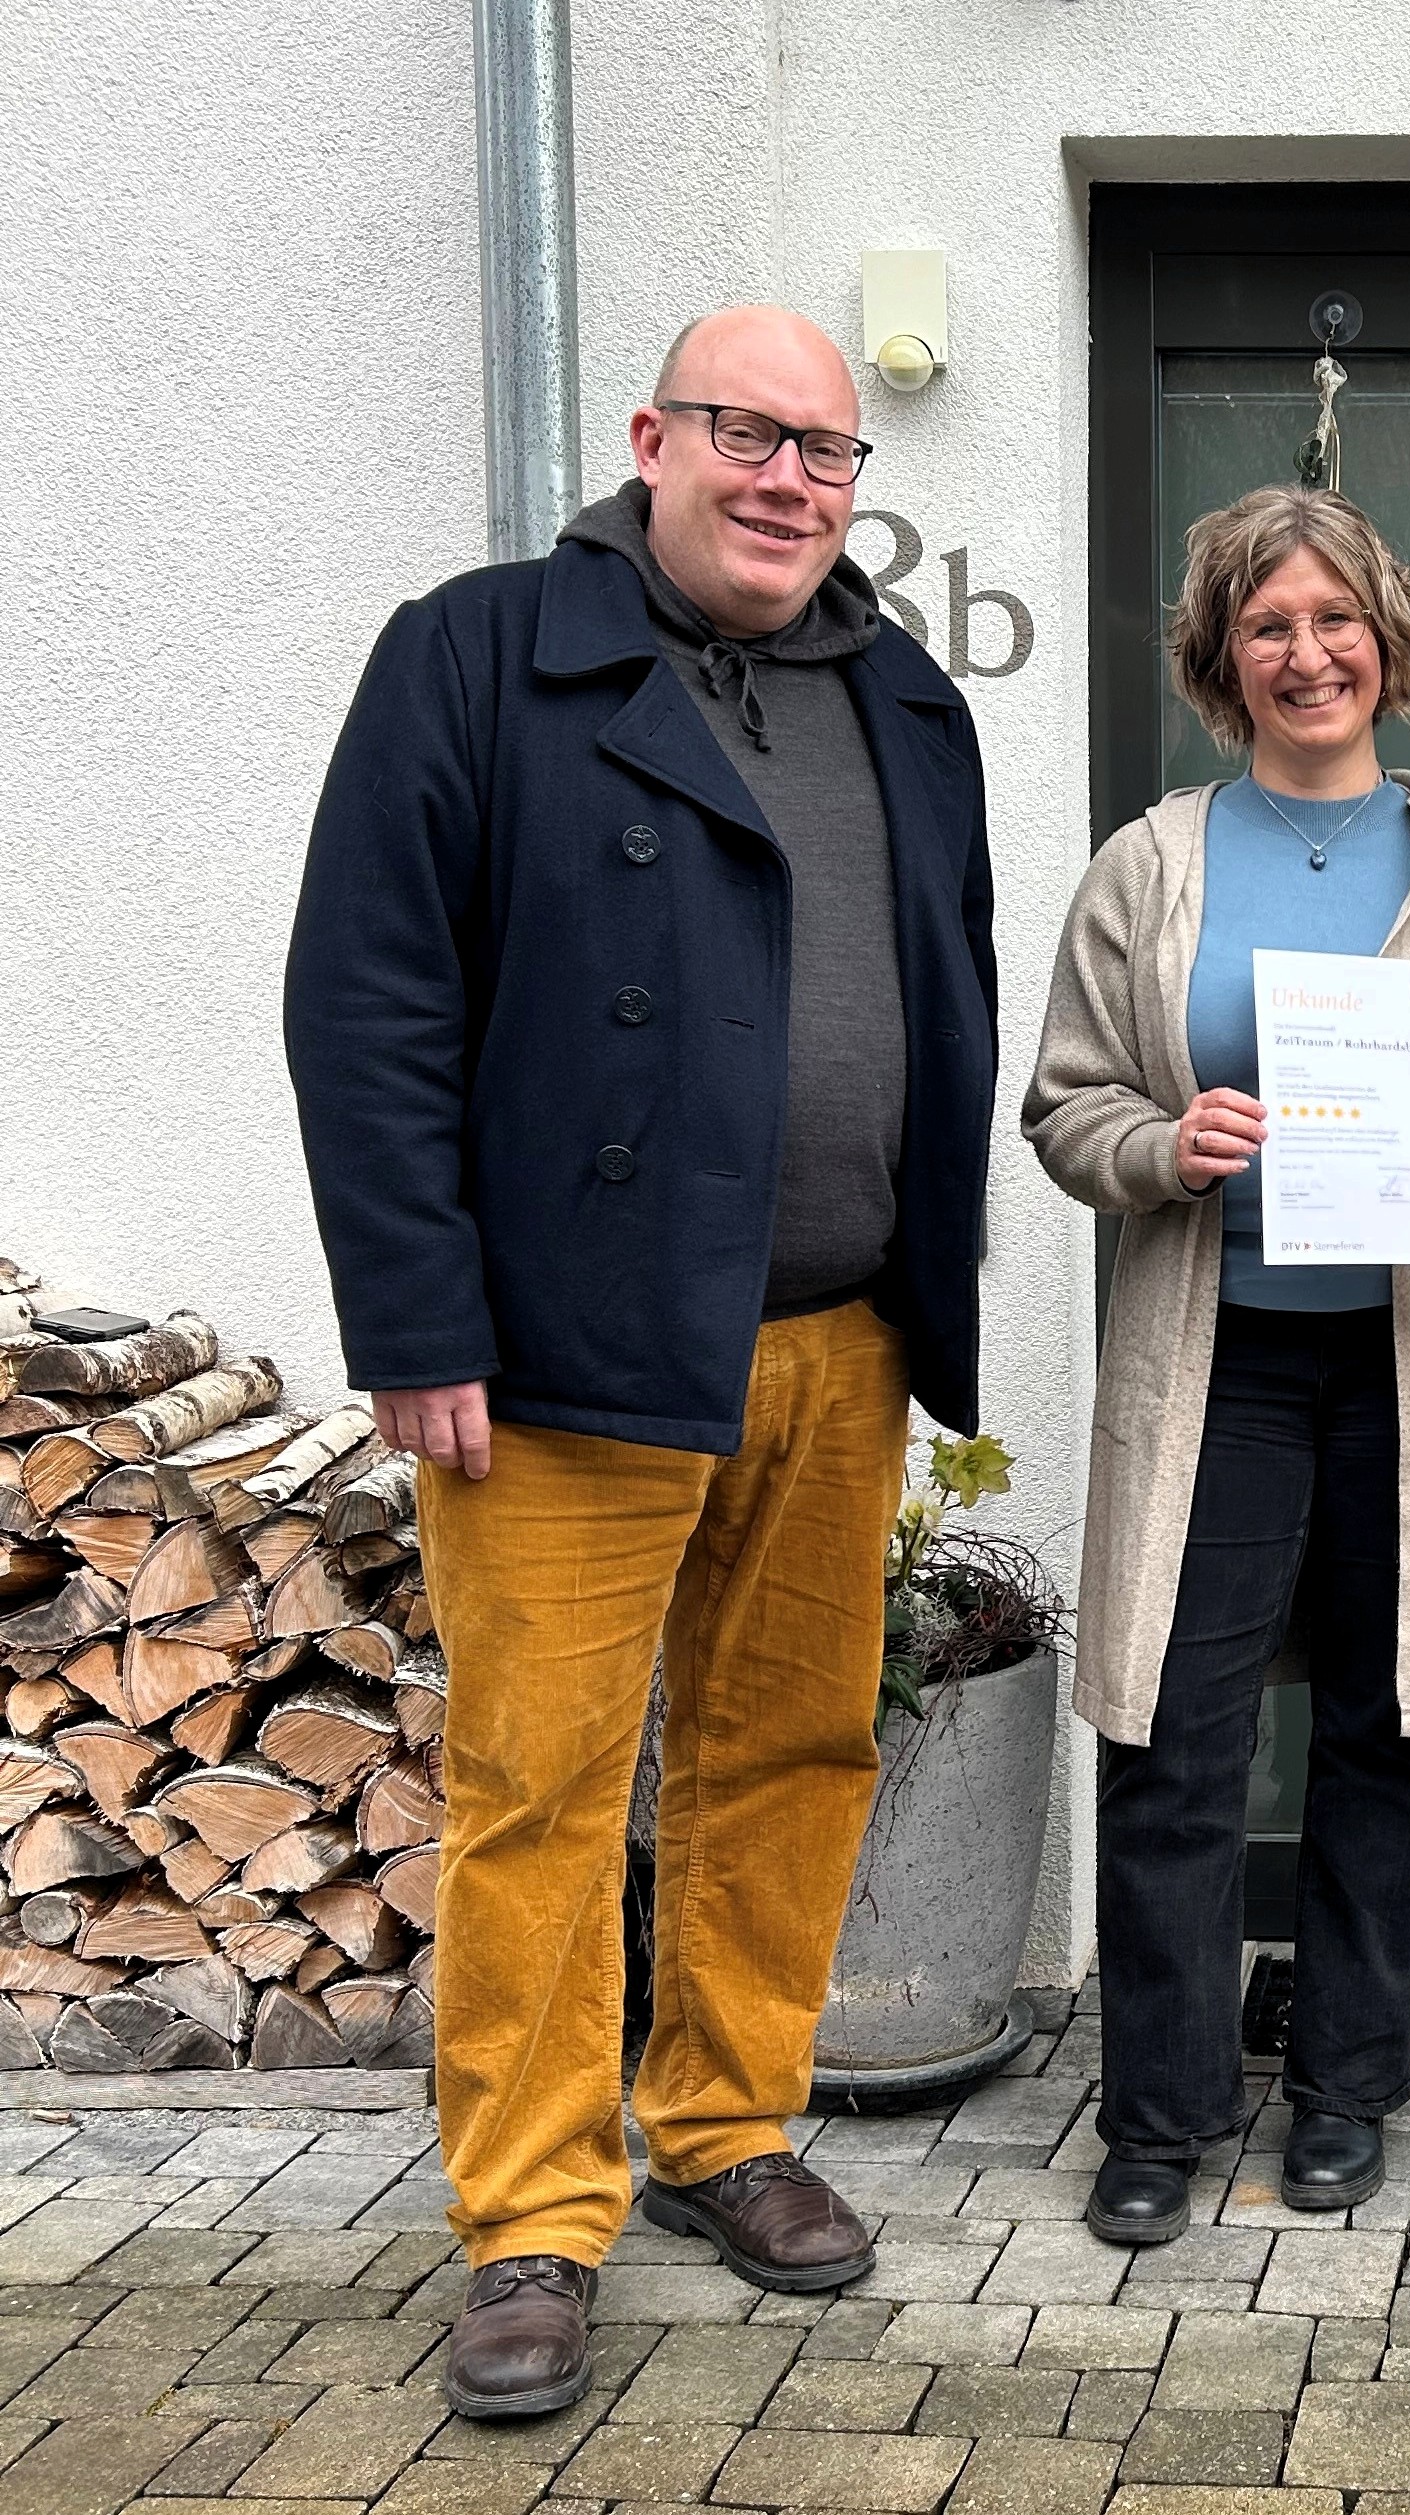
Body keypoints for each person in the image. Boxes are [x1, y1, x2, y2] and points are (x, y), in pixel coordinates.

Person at [284, 306, 997, 2417]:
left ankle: (722, 2123)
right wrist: (417, 1315)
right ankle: (528, 2213)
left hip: (842, 1333)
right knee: (542, 1789)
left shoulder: (906, 693)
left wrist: (936, 1277)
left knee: (795, 1753)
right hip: (563, 1353)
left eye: (826, 450)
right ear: (651, 439)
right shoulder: (479, 654)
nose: (788, 478)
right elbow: (368, 999)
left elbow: (943, 982)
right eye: (746, 433)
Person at [1025, 484, 1410, 2246]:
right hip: (1223, 1363)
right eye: (1267, 624)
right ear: (1221, 657)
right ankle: (1162, 2107)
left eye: (1335, 619)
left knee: (1386, 1731)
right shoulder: (1151, 864)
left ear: (1388, 643)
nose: (1306, 652)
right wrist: (1161, 1147)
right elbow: (1065, 1106)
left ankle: (1347, 2087)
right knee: (1172, 1741)